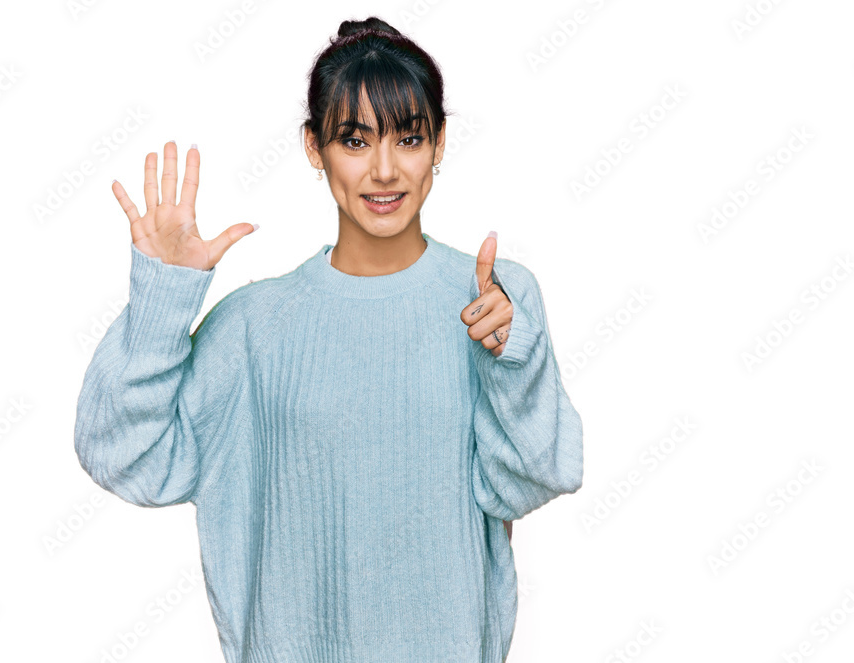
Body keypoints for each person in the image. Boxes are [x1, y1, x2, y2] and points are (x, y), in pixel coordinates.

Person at [74, 16, 583, 663]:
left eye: (409, 137)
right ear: (314, 148)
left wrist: (514, 357)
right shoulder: (253, 328)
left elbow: (537, 478)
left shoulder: (494, 301)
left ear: (439, 142)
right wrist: (162, 301)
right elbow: (123, 456)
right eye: (354, 139)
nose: (384, 169)